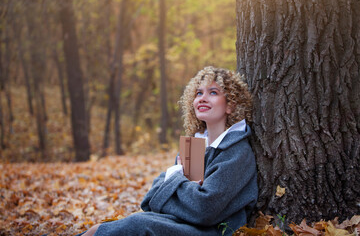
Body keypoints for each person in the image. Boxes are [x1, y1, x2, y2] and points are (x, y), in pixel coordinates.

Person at [81, 66, 258, 236]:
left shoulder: (236, 151)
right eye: (198, 93)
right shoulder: (194, 145)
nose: (203, 98)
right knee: (99, 229)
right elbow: (150, 199)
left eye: (213, 92)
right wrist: (187, 189)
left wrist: (175, 180)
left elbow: (204, 209)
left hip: (212, 231)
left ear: (231, 105)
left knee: (136, 225)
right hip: (182, 222)